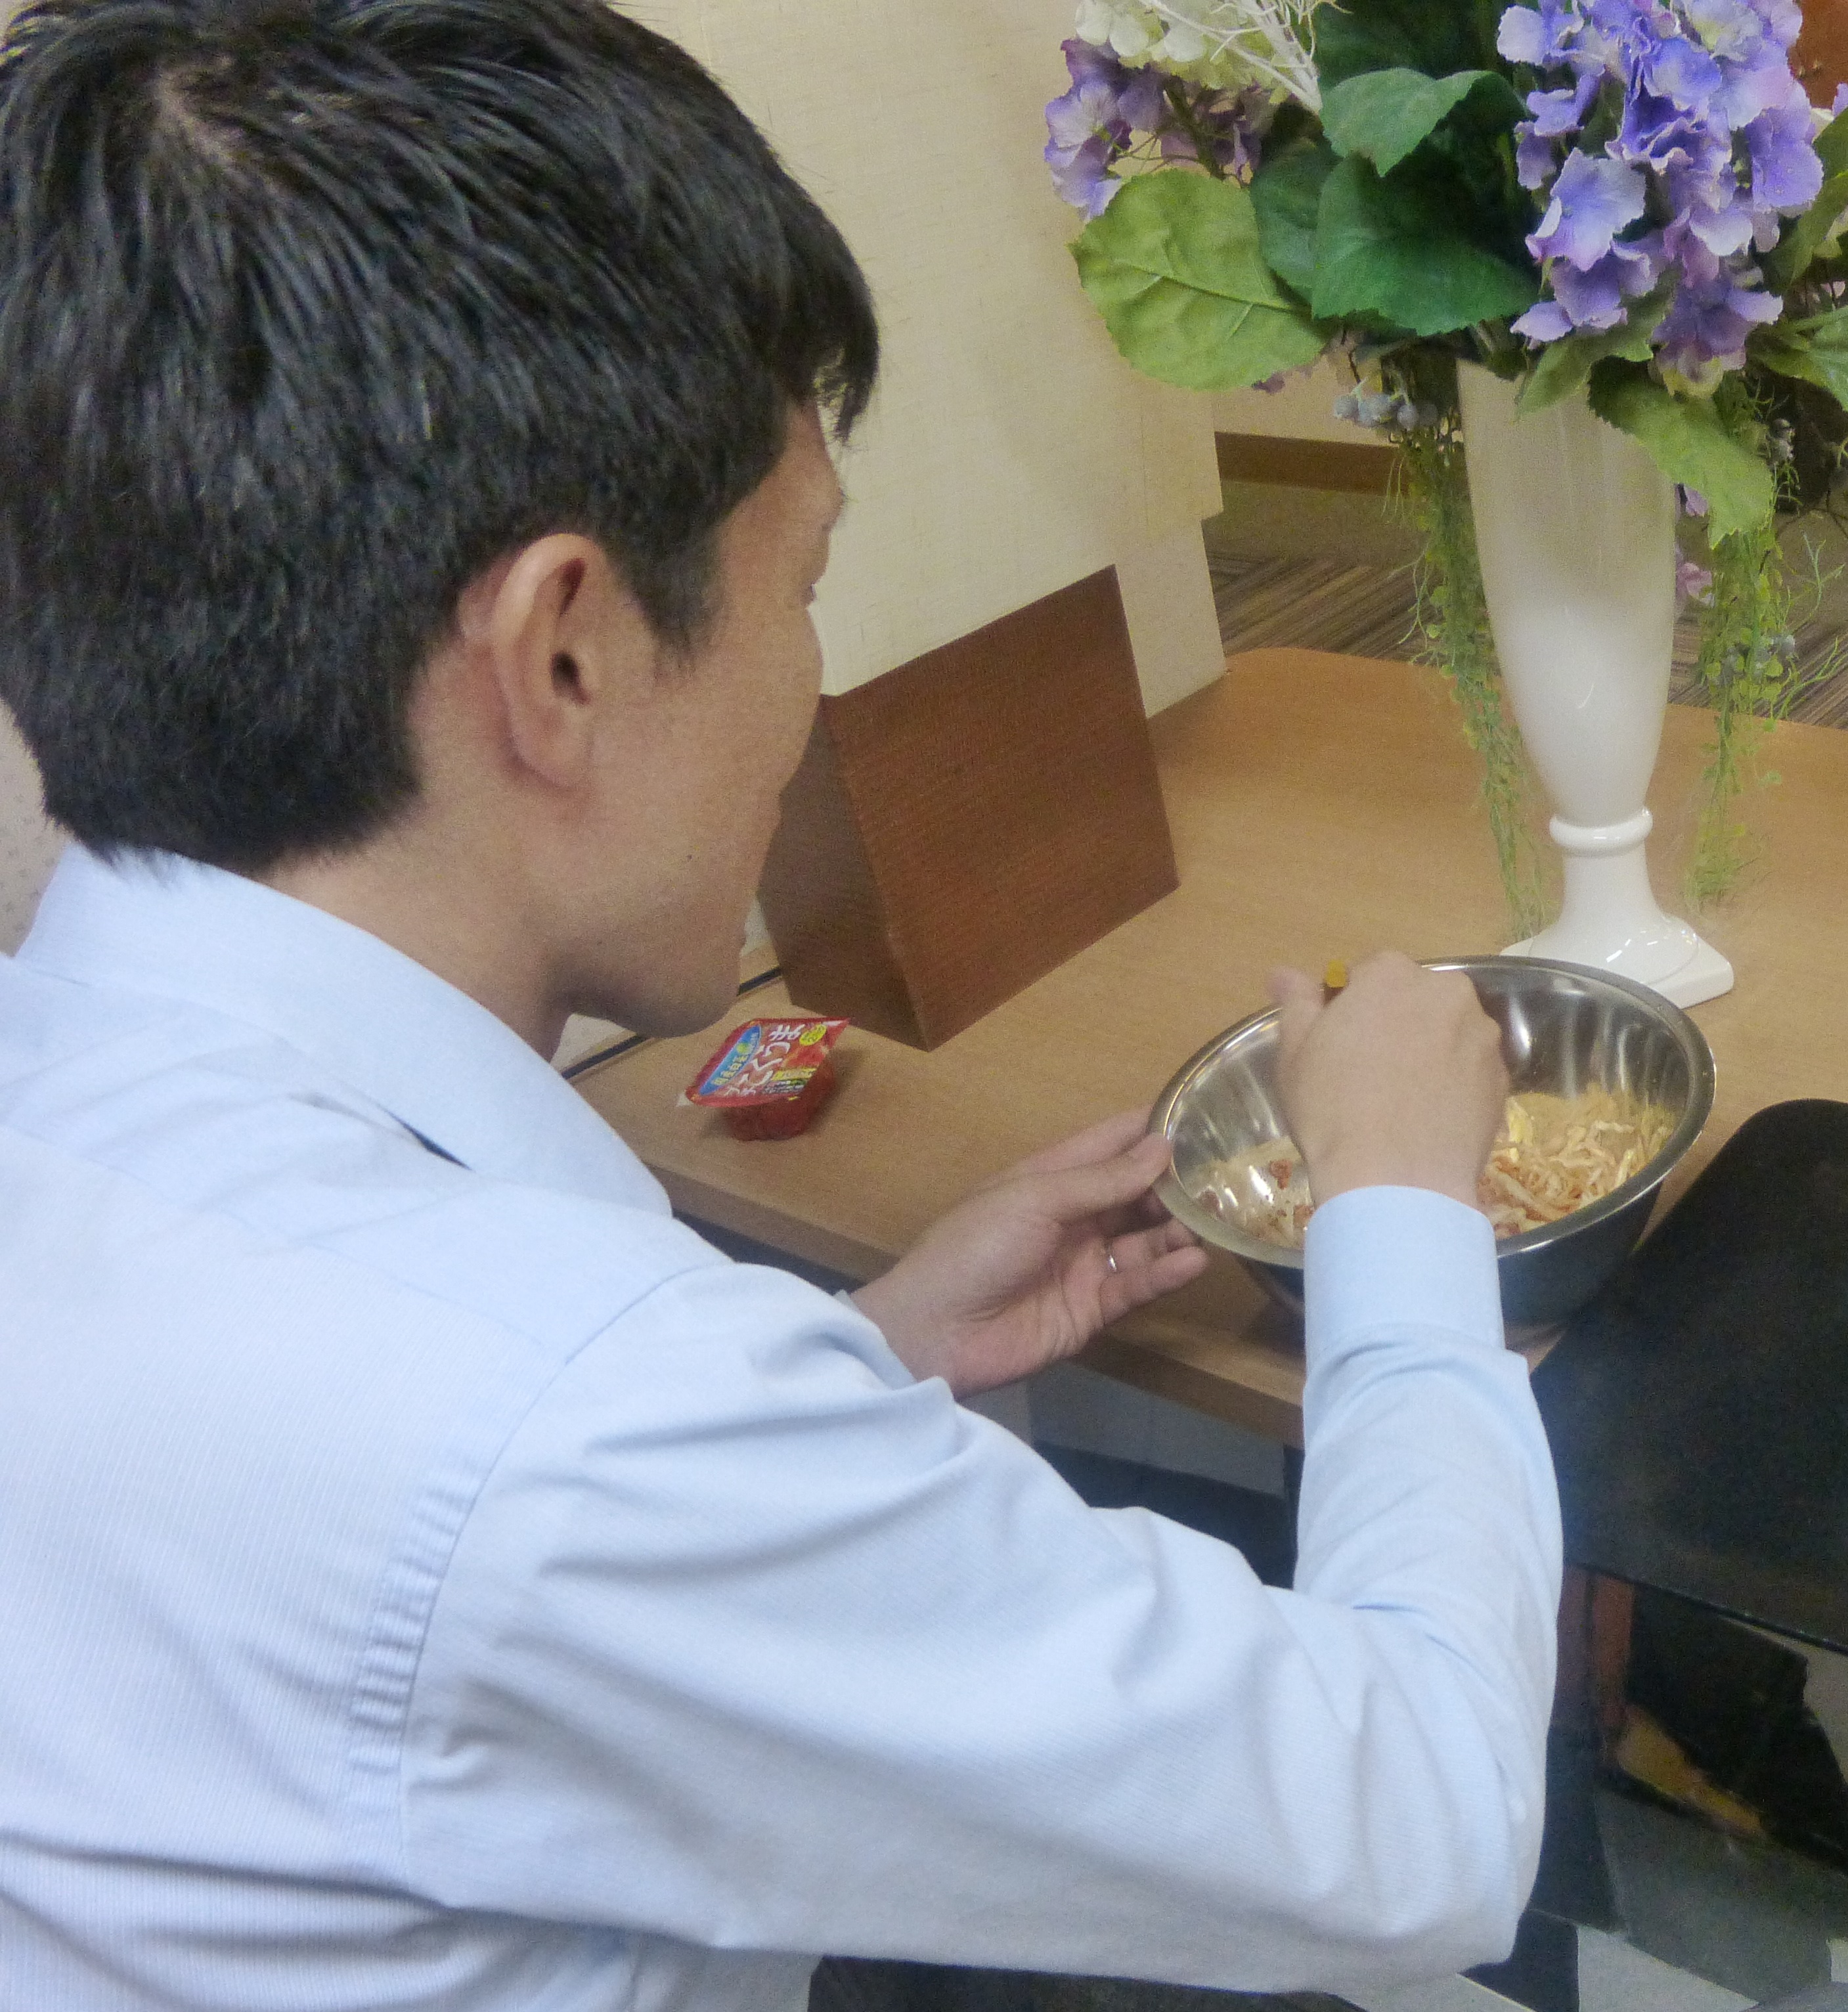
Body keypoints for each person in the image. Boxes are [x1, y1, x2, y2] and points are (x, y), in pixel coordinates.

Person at [0, 4, 1560, 2009]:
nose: (812, 682)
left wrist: (861, 1358)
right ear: (563, 657)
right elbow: (1425, 1820)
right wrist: (1406, 1212)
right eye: (802, 584)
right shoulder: (579, 1426)